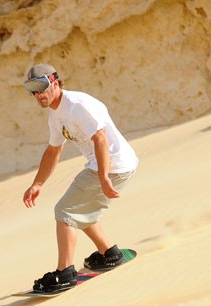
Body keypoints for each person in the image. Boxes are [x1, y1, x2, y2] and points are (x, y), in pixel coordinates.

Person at [21, 63, 139, 292]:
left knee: (65, 212)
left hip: (113, 166)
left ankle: (64, 273)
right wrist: (37, 183)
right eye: (31, 89)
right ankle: (109, 254)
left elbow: (100, 140)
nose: (37, 94)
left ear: (54, 82)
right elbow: (53, 150)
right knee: (80, 208)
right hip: (106, 166)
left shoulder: (76, 106)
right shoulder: (56, 114)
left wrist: (104, 178)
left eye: (41, 86)